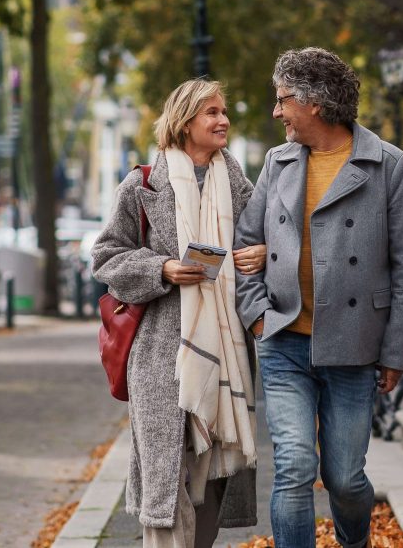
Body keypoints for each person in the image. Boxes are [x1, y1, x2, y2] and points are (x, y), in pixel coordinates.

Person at [235, 47, 403, 548]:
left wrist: (395, 353)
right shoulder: (278, 162)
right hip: (284, 341)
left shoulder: (387, 165)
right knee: (294, 466)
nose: (276, 112)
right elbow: (244, 243)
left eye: (283, 100)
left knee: (344, 478)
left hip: (354, 347)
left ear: (314, 103)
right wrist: (257, 316)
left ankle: (354, 541)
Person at [92, 79, 266, 548]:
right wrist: (162, 269)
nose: (223, 120)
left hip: (225, 354)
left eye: (224, 111)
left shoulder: (240, 187)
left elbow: (265, 245)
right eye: (212, 112)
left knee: (211, 475)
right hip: (159, 356)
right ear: (185, 122)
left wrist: (261, 253)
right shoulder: (144, 184)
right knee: (167, 478)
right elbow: (106, 256)